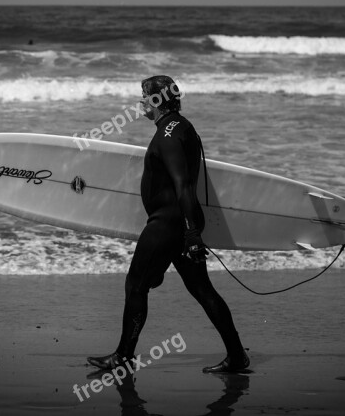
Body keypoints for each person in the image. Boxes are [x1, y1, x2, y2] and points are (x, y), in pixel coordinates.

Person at [87, 75, 249, 374]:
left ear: (157, 100)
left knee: (135, 285)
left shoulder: (168, 135)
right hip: (178, 223)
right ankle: (237, 356)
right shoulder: (181, 127)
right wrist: (191, 231)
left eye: (144, 96)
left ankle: (123, 357)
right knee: (202, 289)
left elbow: (183, 185)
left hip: (168, 224)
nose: (140, 102)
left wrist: (190, 233)